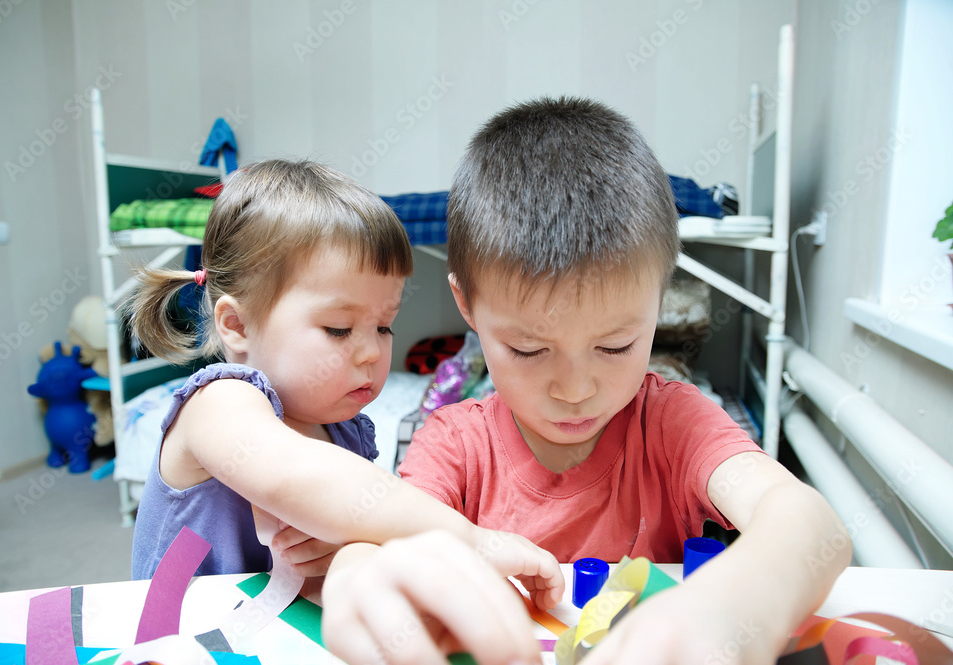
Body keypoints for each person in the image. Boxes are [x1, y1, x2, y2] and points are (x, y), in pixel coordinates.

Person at [390, 97, 850, 664]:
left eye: (615, 346)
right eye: (529, 349)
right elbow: (392, 543)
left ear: (660, 300)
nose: (575, 389)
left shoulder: (672, 423)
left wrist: (734, 608)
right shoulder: (454, 444)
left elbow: (808, 521)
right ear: (466, 304)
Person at [126, 160, 564, 654]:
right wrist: (473, 540)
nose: (372, 352)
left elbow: (333, 569)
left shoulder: (345, 432)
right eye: (339, 328)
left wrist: (345, 554)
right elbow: (305, 479)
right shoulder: (219, 403)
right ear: (238, 327)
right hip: (174, 648)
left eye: (384, 326)